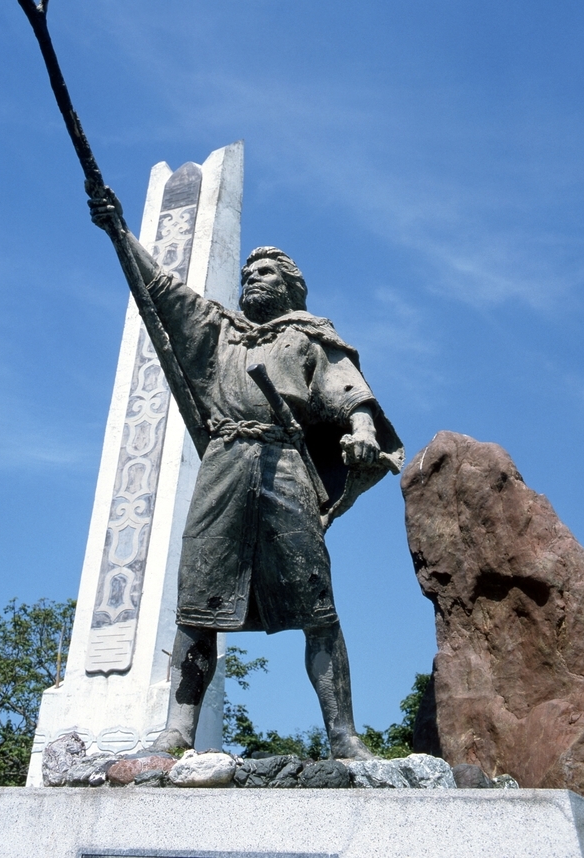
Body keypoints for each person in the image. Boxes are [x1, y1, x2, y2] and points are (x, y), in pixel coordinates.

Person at [90, 196, 403, 759]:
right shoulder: (220, 331)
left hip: (285, 464)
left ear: (290, 285)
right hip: (224, 465)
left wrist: (362, 431)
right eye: (247, 273)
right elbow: (161, 288)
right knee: (197, 602)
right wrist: (119, 231)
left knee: (317, 603)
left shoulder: (307, 336)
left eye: (264, 272)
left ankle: (344, 736)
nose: (251, 279)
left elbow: (350, 394)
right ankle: (177, 731)